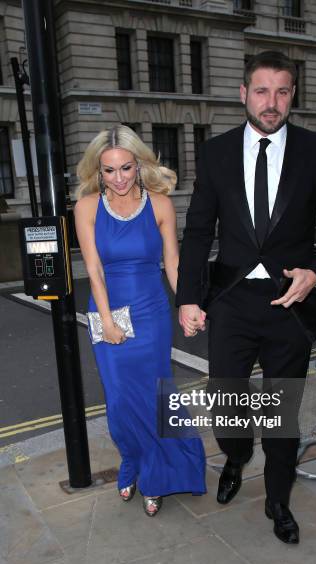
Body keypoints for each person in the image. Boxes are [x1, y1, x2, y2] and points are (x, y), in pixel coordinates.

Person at [176, 51, 316, 543]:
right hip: (232, 300)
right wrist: (189, 298)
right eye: (262, 90)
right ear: (243, 94)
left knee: (281, 410)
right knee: (225, 401)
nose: (271, 102)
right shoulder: (215, 153)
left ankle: (278, 498)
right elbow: (196, 232)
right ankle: (235, 455)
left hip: (289, 303)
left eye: (281, 91)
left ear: (293, 94)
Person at [75, 125, 206, 517]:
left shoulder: (161, 204)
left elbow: (173, 264)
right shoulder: (87, 207)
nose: (118, 178)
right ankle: (131, 459)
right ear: (98, 171)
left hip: (150, 312)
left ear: (139, 165)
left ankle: (156, 473)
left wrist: (189, 304)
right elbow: (93, 270)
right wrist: (106, 320)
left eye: (126, 168)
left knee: (153, 397)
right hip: (107, 310)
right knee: (119, 403)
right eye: (109, 170)